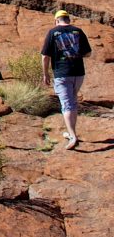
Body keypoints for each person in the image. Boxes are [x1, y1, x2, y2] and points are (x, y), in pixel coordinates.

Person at [41, 8, 94, 150]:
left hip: (62, 73)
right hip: (78, 73)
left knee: (67, 104)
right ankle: (72, 133)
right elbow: (88, 53)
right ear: (68, 20)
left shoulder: (53, 32)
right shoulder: (78, 31)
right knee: (72, 102)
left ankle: (73, 136)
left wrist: (45, 74)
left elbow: (45, 56)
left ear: (56, 21)